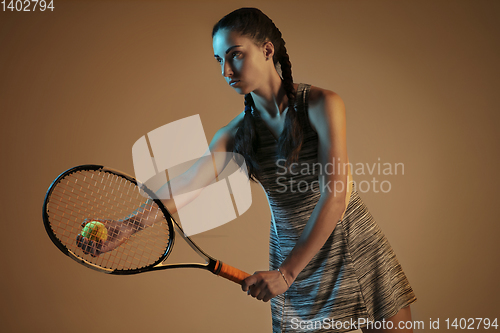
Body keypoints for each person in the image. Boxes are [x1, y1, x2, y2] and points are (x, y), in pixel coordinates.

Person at [78, 7, 417, 333]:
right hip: (293, 263)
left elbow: (336, 195)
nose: (226, 71)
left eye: (235, 55)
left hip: (350, 250)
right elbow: (189, 183)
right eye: (219, 60)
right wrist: (127, 226)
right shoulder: (234, 134)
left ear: (267, 50)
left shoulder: (321, 104)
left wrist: (286, 273)